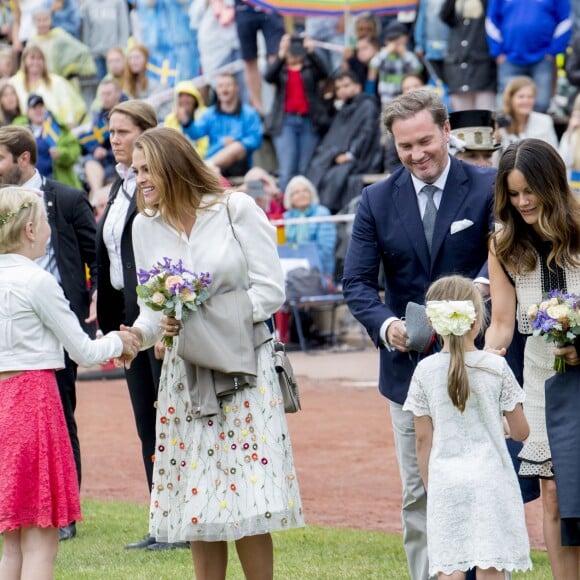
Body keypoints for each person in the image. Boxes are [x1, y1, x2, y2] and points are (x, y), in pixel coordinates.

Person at [126, 126, 304, 577]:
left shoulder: (235, 209)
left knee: (247, 490)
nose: (141, 179)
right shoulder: (143, 227)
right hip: (185, 376)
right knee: (198, 496)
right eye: (135, 171)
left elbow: (270, 290)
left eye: (148, 169)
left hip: (243, 365)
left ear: (175, 165)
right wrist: (134, 338)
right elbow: (152, 312)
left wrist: (204, 315)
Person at [342, 88, 495, 580]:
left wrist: (479, 293)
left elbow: (508, 258)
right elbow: (357, 283)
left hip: (480, 364)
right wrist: (387, 326)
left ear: (446, 130)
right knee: (420, 488)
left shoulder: (489, 187)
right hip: (407, 374)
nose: (417, 154)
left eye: (426, 140)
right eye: (405, 146)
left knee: (486, 481)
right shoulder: (375, 200)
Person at [0, 187, 138, 578]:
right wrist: (122, 340)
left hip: (3, 403)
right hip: (32, 401)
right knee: (41, 534)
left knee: (12, 537)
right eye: (44, 223)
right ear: (29, 229)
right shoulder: (38, 281)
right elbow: (83, 351)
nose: (48, 231)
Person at [485, 138, 580, 577]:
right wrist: (484, 368)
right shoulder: (503, 245)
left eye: (529, 191)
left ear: (552, 185)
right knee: (554, 492)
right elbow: (502, 324)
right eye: (513, 193)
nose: (522, 202)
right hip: (541, 379)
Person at [0, 124, 98, 540]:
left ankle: (63, 511)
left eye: (1, 157)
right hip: (20, 332)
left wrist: (94, 300)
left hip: (60, 321)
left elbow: (96, 256)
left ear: (23, 157)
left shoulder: (67, 197)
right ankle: (24, 509)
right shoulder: (5, 207)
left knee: (62, 415)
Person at [403, 275, 532, 577]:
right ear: (477, 321)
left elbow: (423, 440)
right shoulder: (495, 367)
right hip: (492, 481)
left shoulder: (424, 372)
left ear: (433, 324)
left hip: (446, 481)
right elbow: (522, 432)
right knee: (490, 564)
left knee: (451, 567)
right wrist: (502, 423)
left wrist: (431, 485)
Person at [94, 100, 174, 551]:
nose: (115, 140)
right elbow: (111, 252)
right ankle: (159, 521)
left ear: (147, 133)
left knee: (168, 416)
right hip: (128, 313)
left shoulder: (154, 185)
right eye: (111, 133)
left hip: (162, 311)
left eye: (123, 132)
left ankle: (179, 519)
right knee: (147, 420)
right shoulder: (118, 187)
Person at [307, 70, 382, 214]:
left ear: (358, 86)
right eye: (338, 88)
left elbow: (366, 134)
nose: (342, 90)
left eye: (346, 85)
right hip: (337, 156)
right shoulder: (343, 108)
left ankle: (326, 211)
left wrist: (350, 154)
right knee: (318, 166)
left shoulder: (367, 105)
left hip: (359, 159)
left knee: (333, 176)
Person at [263, 32, 330, 192]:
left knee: (305, 168)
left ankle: (306, 207)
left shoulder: (309, 66)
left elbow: (325, 73)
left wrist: (312, 51)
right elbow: (268, 77)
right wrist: (281, 54)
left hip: (309, 121)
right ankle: (287, 209)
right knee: (287, 168)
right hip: (285, 122)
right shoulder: (280, 69)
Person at [485, 0, 572, 113]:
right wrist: (498, 52)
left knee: (541, 104)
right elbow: (491, 21)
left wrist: (553, 51)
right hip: (509, 59)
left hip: (543, 59)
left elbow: (565, 21)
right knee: (507, 106)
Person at [180, 72, 262, 178]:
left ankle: (204, 169)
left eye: (228, 85)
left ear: (237, 88)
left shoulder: (249, 113)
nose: (224, 89)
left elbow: (256, 139)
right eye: (220, 86)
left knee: (237, 146)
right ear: (217, 90)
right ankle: (207, 168)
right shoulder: (210, 113)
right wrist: (186, 121)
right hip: (215, 160)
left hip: (240, 164)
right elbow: (195, 133)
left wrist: (236, 142)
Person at [13, 93, 82, 189]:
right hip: (30, 184)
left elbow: (75, 152)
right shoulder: (19, 131)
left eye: (41, 106)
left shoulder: (58, 128)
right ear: (28, 112)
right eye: (34, 107)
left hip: (57, 183)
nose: (38, 110)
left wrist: (61, 153)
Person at [9, 43, 87, 126]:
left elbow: (67, 107)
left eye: (39, 58)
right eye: (32, 58)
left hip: (53, 130)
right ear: (24, 60)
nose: (36, 62)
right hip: (24, 129)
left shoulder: (57, 82)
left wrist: (68, 125)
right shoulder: (13, 82)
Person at [440, 0, 496, 112]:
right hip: (457, 70)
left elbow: (493, 13)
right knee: (463, 120)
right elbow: (444, 15)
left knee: (485, 117)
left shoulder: (486, 6)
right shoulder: (455, 10)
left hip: (482, 69)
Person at [283, 175, 337, 287]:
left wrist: (312, 270)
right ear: (290, 198)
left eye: (305, 191)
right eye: (296, 192)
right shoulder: (284, 218)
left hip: (317, 269)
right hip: (290, 269)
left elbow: (326, 249)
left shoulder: (322, 213)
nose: (301, 194)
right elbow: (281, 246)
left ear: (311, 194)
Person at [234, 0, 285, 116]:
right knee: (249, 59)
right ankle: (257, 109)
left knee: (276, 57)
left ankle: (276, 105)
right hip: (244, 7)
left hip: (271, 6)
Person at [367, 20, 422, 107]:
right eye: (391, 39)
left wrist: (404, 53)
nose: (395, 43)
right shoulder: (383, 55)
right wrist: (387, 51)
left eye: (398, 39)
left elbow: (417, 68)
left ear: (405, 39)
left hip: (405, 97)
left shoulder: (407, 55)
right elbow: (373, 64)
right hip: (387, 98)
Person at [496, 76, 559, 152]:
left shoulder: (545, 121)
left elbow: (554, 153)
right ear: (510, 99)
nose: (526, 101)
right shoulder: (500, 122)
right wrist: (496, 138)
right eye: (521, 97)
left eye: (530, 97)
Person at [163, 80, 207, 158]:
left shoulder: (205, 114)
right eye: (181, 96)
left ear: (195, 98)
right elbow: (168, 146)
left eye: (188, 96)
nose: (184, 100)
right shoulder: (170, 119)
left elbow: (205, 148)